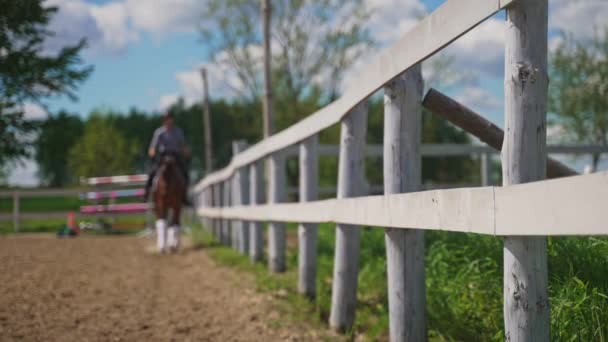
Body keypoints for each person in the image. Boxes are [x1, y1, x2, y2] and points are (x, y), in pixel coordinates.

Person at [144, 111, 191, 205]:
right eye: (166, 119)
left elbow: (183, 145)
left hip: (175, 155)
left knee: (185, 173)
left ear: (172, 120)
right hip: (163, 155)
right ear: (164, 120)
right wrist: (152, 154)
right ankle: (147, 194)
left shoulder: (178, 131)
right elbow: (153, 147)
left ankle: (184, 196)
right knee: (152, 173)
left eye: (170, 119)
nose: (168, 121)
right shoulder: (159, 132)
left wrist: (188, 154)